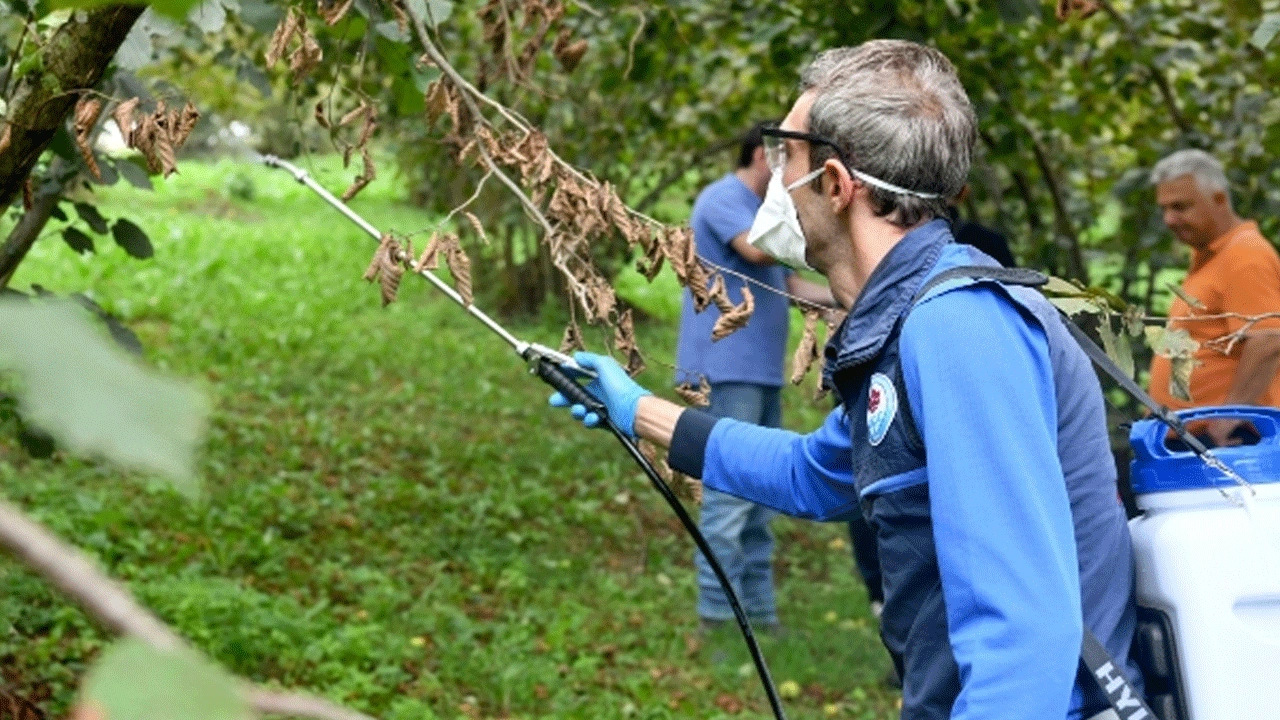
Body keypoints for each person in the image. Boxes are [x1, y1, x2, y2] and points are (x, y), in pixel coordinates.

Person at [552, 41, 1139, 720]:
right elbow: (814, 474)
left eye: (786, 159)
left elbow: (1025, 638)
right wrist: (637, 410)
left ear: (834, 184)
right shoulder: (908, 319)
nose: (777, 185)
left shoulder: (957, 328)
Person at [674, 122, 833, 633]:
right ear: (767, 157)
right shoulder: (724, 200)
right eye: (791, 161)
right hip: (725, 370)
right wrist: (811, 217)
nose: (795, 176)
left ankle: (761, 618)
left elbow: (792, 286)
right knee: (727, 499)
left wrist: (856, 291)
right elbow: (759, 252)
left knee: (760, 497)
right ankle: (717, 622)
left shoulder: (760, 211)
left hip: (759, 375)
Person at [1148, 149, 1280, 446]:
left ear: (1219, 199)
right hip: (1193, 437)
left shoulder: (1245, 255)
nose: (1169, 219)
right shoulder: (1211, 256)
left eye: (1180, 207)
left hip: (1227, 440)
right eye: (1164, 209)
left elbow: (1269, 339)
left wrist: (1227, 419)